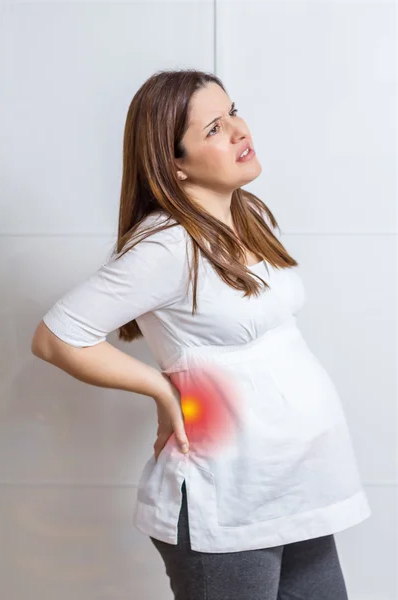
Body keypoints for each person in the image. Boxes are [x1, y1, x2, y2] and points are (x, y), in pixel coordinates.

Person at [31, 69, 371, 600]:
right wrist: (163, 390)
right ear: (174, 166)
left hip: (296, 485)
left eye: (233, 110)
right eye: (213, 128)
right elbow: (56, 337)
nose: (239, 130)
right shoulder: (166, 248)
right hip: (228, 498)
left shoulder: (247, 215)